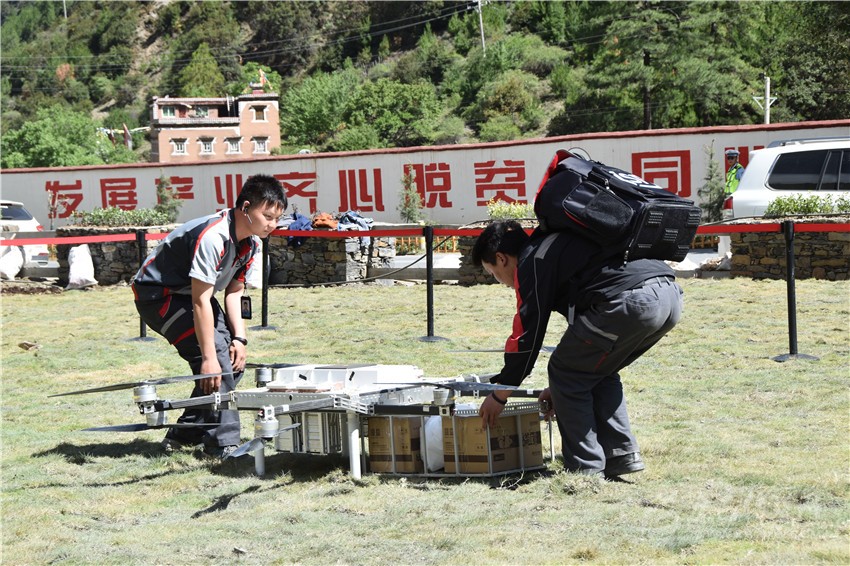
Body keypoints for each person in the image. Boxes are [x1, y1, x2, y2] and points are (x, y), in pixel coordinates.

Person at [472, 220, 683, 478]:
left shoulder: (531, 263)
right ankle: (620, 455)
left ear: (501, 258)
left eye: (492, 273)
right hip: (669, 296)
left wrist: (499, 395)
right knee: (598, 370)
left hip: (629, 301)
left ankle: (585, 468)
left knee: (564, 370)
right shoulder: (555, 246)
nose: (500, 281)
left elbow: (527, 336)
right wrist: (559, 391)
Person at [132, 174, 287, 459]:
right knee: (217, 361)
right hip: (158, 296)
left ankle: (185, 433)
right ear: (245, 208)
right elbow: (201, 300)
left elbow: (234, 292)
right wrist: (208, 357)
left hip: (192, 295)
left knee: (233, 363)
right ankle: (222, 446)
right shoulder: (213, 237)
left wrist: (240, 339)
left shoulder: (251, 244)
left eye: (277, 218)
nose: (272, 224)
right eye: (267, 216)